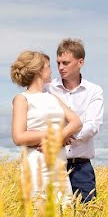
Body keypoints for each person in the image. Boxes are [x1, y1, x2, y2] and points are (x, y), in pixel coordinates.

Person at [10, 50, 82, 202]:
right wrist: (57, 134)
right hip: (36, 165)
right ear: (38, 71)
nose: (52, 70)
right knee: (39, 216)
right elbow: (19, 136)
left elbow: (76, 122)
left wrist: (58, 138)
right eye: (48, 66)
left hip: (59, 167)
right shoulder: (22, 99)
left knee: (66, 216)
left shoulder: (52, 98)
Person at [46, 38, 103, 203]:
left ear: (80, 62)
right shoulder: (47, 88)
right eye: (58, 63)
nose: (61, 67)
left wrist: (65, 137)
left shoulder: (94, 91)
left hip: (81, 167)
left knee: (86, 216)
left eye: (65, 63)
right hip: (52, 164)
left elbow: (93, 125)